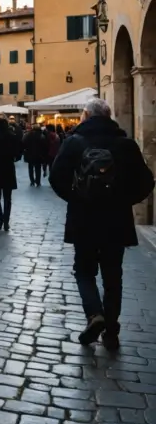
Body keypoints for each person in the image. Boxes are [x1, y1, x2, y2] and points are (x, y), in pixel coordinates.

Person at [49, 99, 154, 349]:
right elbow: (147, 181)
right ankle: (111, 330)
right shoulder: (125, 144)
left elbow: (56, 177)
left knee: (84, 271)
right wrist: (126, 200)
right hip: (116, 219)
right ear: (109, 116)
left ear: (85, 116)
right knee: (112, 274)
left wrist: (75, 198)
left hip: (83, 218)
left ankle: (94, 314)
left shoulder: (74, 142)